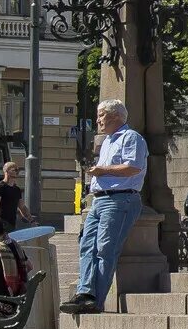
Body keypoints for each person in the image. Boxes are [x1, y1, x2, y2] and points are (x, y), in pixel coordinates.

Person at [61, 99, 147, 317]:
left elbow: (133, 167)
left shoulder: (131, 137)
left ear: (115, 116)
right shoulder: (108, 141)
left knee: (105, 249)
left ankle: (95, 301)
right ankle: (85, 293)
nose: (97, 120)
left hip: (120, 200)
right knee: (86, 246)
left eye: (101, 115)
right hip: (100, 200)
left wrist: (102, 170)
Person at [0, 159, 24, 232]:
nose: (17, 172)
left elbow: (22, 207)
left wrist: (31, 220)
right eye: (14, 170)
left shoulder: (16, 189)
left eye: (17, 170)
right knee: (0, 244)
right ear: (6, 171)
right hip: (0, 227)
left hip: (12, 225)